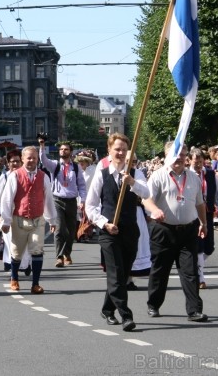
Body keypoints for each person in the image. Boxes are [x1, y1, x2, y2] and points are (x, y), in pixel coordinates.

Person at [85, 133, 149, 331]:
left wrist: (131, 183)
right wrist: (104, 224)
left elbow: (147, 194)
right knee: (115, 272)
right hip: (108, 232)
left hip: (130, 230)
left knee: (121, 275)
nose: (120, 153)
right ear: (109, 151)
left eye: (123, 149)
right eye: (117, 149)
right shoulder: (101, 173)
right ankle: (126, 315)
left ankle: (107, 309)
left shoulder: (135, 173)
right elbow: (91, 205)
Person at [142, 141, 208, 322]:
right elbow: (145, 199)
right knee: (160, 270)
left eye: (182, 154)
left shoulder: (193, 177)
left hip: (188, 231)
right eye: (175, 154)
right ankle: (153, 304)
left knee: (190, 271)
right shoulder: (158, 176)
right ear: (166, 155)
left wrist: (204, 223)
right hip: (163, 230)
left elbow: (200, 203)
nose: (179, 157)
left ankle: (194, 310)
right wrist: (154, 210)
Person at [0, 146, 57, 294]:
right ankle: (14, 278)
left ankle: (35, 284)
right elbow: (7, 199)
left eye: (34, 158)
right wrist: (5, 221)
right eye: (28, 158)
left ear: (38, 159)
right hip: (19, 219)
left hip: (37, 220)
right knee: (17, 252)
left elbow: (48, 198)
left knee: (37, 250)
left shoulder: (43, 176)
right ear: (23, 159)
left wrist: (52, 220)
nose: (31, 160)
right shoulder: (15, 175)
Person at [38, 138, 86, 267]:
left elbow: (81, 185)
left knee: (71, 231)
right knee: (59, 230)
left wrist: (82, 200)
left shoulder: (76, 167)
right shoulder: (55, 165)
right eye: (61, 149)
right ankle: (59, 257)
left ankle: (67, 253)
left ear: (71, 152)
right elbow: (43, 160)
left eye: (66, 149)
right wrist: (42, 145)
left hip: (71, 201)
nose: (63, 151)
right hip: (57, 200)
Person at [189, 148, 218, 289]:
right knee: (199, 246)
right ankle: (200, 278)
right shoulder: (187, 175)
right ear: (190, 161)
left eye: (200, 161)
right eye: (195, 161)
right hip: (193, 214)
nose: (198, 164)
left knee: (209, 248)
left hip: (208, 214)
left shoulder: (210, 174)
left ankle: (194, 264)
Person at [0, 149, 31, 274]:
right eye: (12, 162)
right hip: (8, 214)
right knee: (10, 241)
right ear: (8, 163)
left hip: (25, 214)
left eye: (17, 161)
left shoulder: (29, 175)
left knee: (25, 241)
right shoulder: (5, 177)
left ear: (22, 161)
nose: (15, 164)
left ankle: (25, 264)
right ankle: (11, 263)